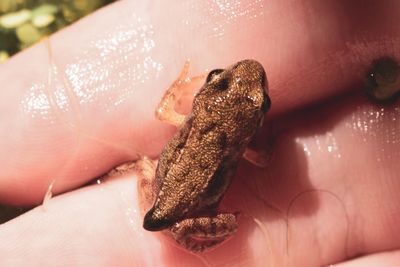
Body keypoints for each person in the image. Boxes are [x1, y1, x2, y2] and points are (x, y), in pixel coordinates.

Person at [0, 0, 399, 266]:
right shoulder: (245, 146)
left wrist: (179, 86)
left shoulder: (192, 117)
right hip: (175, 206)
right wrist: (267, 143)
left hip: (161, 188)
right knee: (170, 205)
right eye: (217, 80)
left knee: (144, 167)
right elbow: (265, 158)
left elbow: (162, 110)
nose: (237, 78)